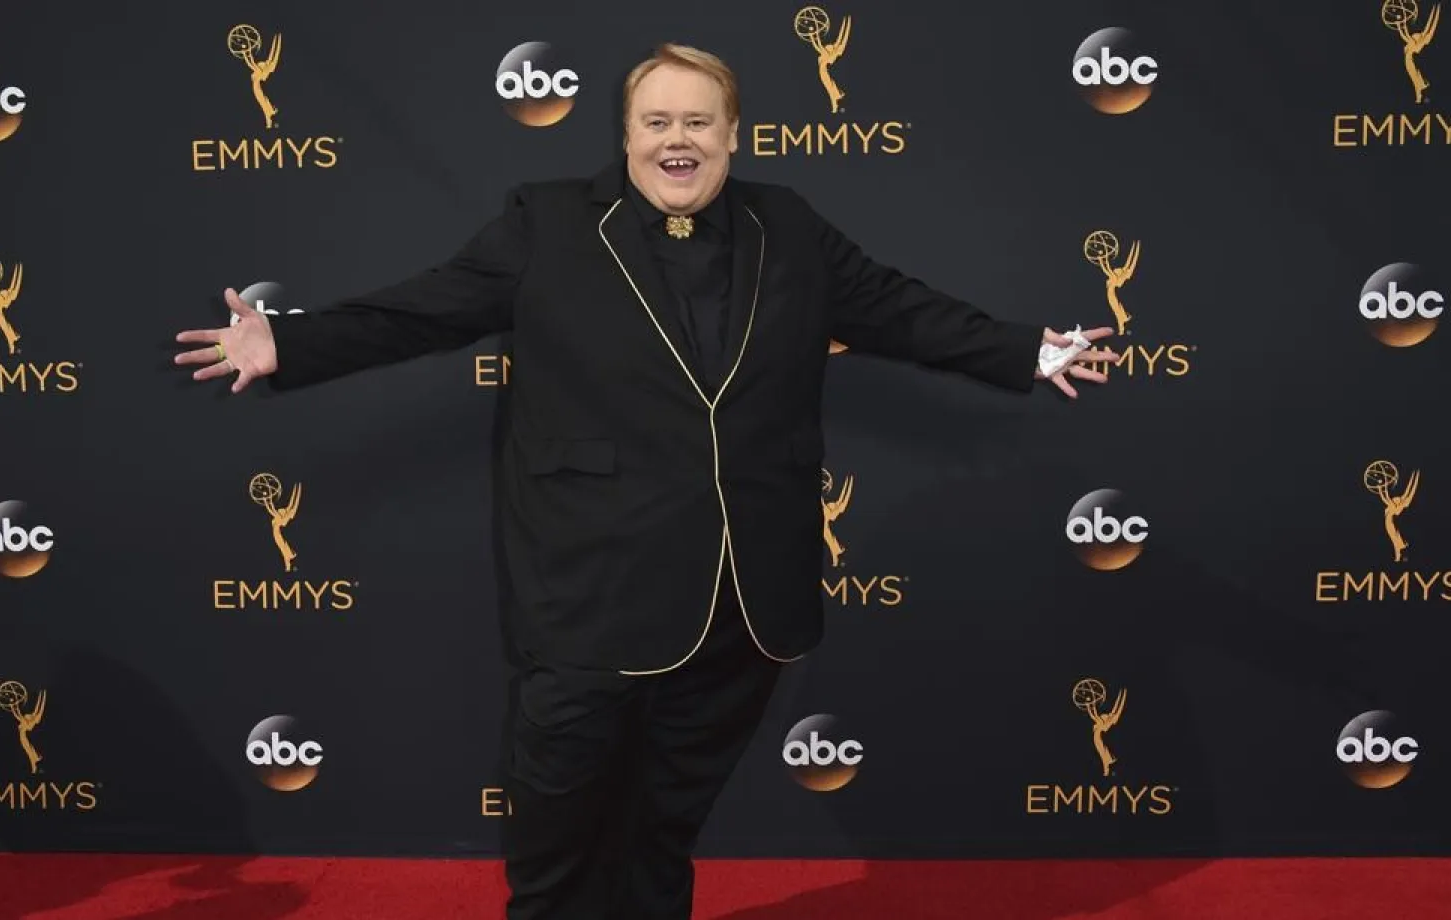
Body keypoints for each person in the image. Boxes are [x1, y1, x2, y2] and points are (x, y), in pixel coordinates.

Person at [173, 43, 1118, 920]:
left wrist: (1027, 350)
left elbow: (896, 309)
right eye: (658, 122)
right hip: (595, 586)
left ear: (732, 135)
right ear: (625, 135)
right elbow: (419, 311)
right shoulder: (544, 222)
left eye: (699, 122)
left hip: (745, 594)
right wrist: (286, 341)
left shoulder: (784, 223)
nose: (679, 140)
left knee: (666, 822)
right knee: (559, 822)